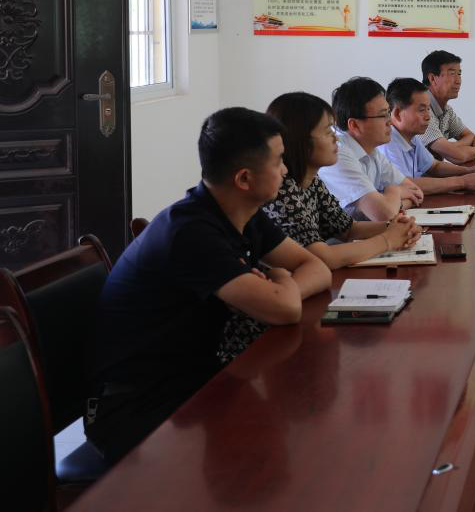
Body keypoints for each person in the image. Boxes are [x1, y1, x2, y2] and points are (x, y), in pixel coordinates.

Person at [86, 108, 332, 463]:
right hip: (138, 405)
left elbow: (317, 268)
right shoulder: (191, 233)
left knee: (302, 422)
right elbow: (285, 309)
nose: (285, 170)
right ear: (244, 178)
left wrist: (281, 286)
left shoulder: (242, 212)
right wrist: (281, 282)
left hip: (196, 378)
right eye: (279, 161)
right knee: (293, 428)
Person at [216, 93, 422, 362]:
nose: (336, 139)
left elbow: (340, 238)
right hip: (243, 352)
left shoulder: (304, 184)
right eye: (328, 132)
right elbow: (321, 260)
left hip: (274, 327)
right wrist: (387, 239)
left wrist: (394, 228)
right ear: (300, 140)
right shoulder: (278, 193)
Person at [320, 76, 424, 220]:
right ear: (354, 125)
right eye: (382, 115)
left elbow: (416, 193)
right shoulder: (337, 154)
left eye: (388, 112)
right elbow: (384, 215)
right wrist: (394, 190)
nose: (390, 121)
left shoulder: (372, 150)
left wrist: (391, 204)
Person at [384, 77, 475, 193]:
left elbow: (434, 166)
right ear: (397, 114)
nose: (428, 116)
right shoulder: (388, 143)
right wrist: (462, 181)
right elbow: (405, 185)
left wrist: (469, 171)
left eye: (428, 109)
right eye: (421, 110)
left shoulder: (413, 139)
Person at [420, 50, 475, 164]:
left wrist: (451, 147)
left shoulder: (446, 110)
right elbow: (458, 157)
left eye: (459, 74)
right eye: (452, 74)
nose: (458, 81)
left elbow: (470, 136)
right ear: (432, 79)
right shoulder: (421, 110)